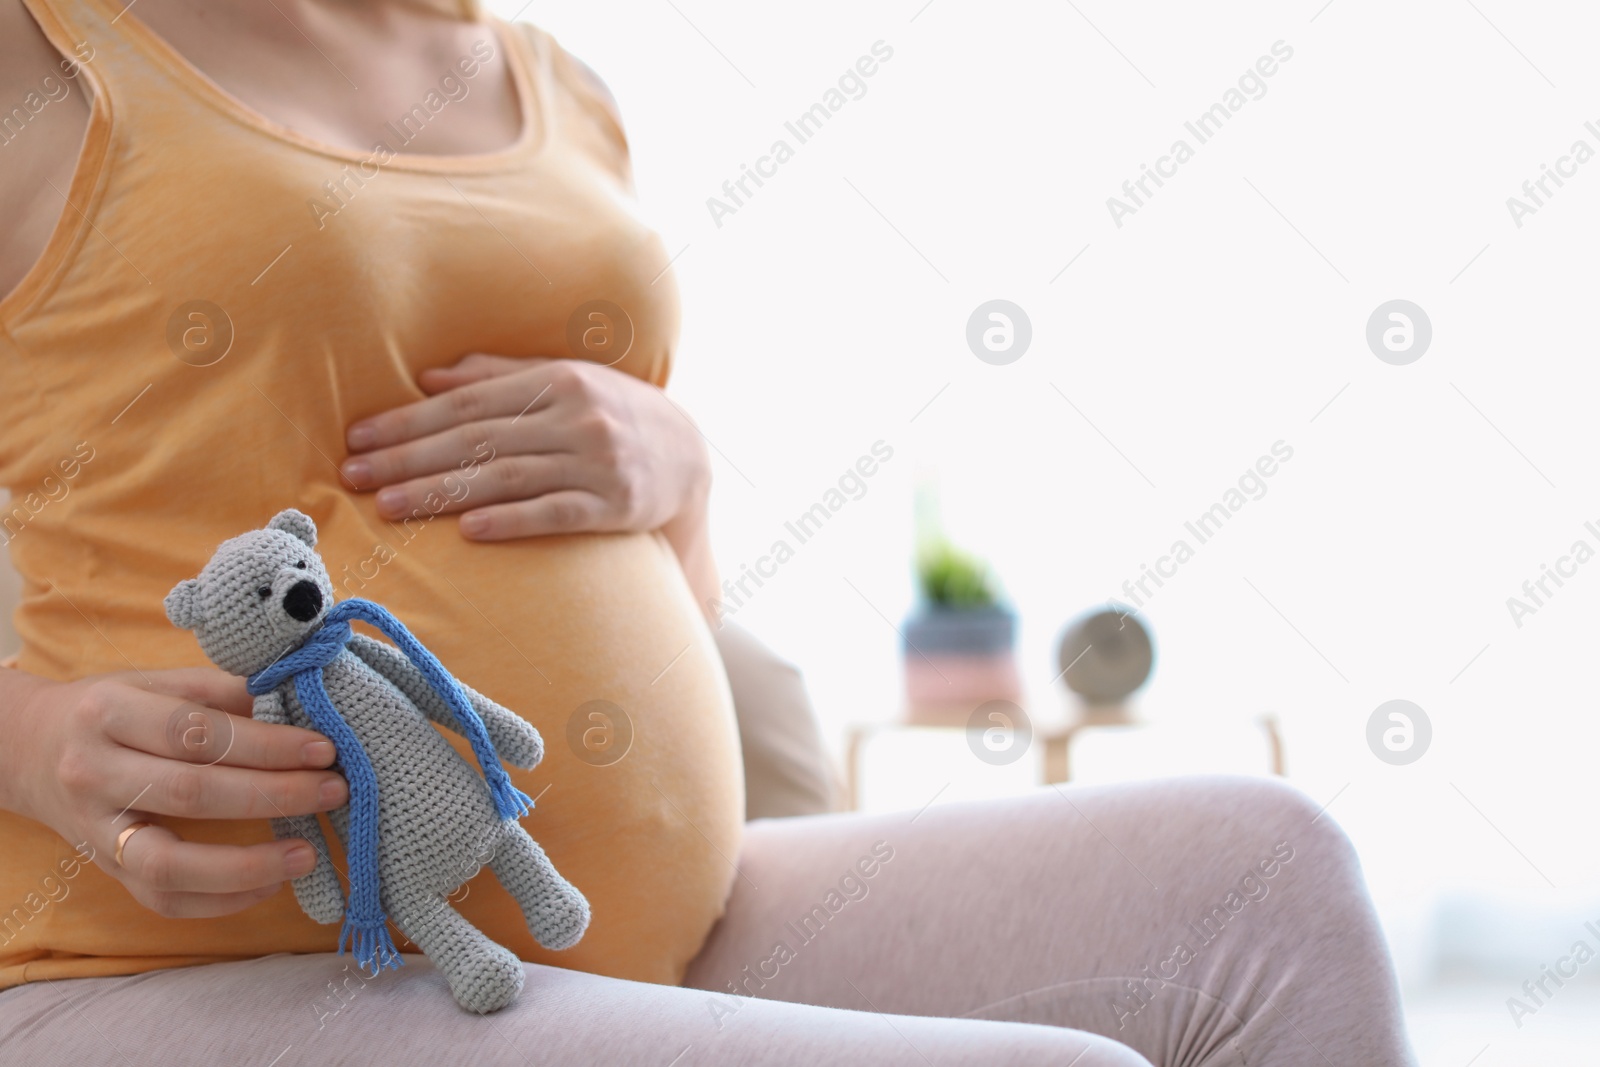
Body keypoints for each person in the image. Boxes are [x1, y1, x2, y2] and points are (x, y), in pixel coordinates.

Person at [0, 1, 1419, 1062]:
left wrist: (677, 471)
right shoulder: (42, 55)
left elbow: (662, 601)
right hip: (191, 960)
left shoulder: (555, 83)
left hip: (644, 919)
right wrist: (31, 740)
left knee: (1268, 879)